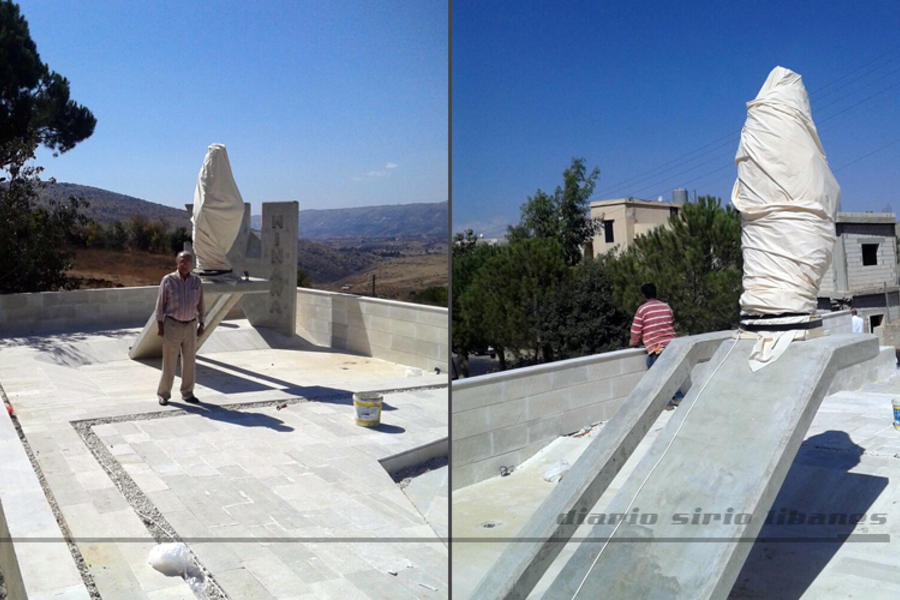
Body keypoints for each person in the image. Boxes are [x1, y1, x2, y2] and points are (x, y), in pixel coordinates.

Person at [155, 251, 205, 405]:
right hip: (173, 325)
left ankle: (188, 393)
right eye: (182, 262)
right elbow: (160, 305)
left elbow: (201, 304)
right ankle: (164, 394)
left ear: (192, 264)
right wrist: (160, 326)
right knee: (169, 361)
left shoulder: (196, 282)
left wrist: (202, 323)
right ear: (177, 263)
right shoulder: (168, 280)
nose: (185, 265)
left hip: (190, 325)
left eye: (188, 262)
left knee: (189, 361)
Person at [629, 283, 680, 408]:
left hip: (657, 347)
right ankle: (678, 397)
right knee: (672, 372)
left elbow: (636, 331)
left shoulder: (642, 309)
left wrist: (633, 343)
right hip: (672, 345)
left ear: (643, 295)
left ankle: (666, 402)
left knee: (657, 374)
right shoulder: (666, 307)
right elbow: (671, 324)